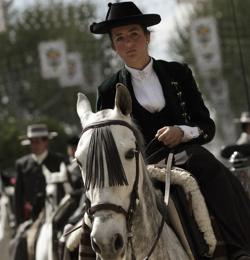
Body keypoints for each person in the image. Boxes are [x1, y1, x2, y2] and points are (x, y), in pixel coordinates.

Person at [91, 2, 250, 260]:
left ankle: (238, 248)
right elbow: (106, 148)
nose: (128, 43)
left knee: (220, 176)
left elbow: (206, 126)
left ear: (147, 37)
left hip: (189, 158)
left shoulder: (179, 73)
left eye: (134, 34)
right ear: (113, 46)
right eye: (119, 38)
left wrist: (181, 131)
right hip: (142, 168)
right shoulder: (107, 90)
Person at [14, 123, 68, 226]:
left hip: (56, 216)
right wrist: (19, 222)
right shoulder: (22, 164)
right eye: (32, 142)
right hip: (29, 219)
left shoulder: (59, 161)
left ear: (46, 141)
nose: (35, 145)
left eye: (38, 141)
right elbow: (18, 196)